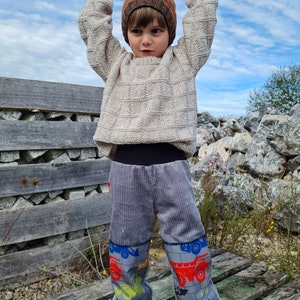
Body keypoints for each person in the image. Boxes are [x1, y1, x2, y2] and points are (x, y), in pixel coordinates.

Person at [78, 0, 219, 299]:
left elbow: (203, 20)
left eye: (156, 30)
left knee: (186, 237)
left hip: (172, 169)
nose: (145, 40)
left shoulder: (183, 61)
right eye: (136, 30)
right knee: (127, 240)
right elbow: (92, 25)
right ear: (126, 33)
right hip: (126, 172)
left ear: (170, 31)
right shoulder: (114, 63)